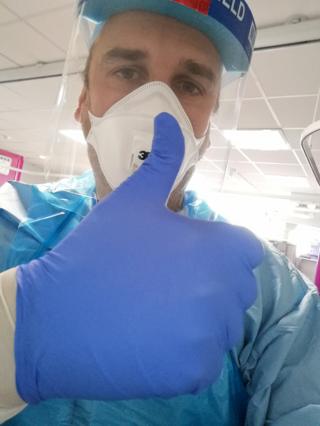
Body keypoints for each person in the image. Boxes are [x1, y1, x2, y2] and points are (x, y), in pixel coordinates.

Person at [0, 1, 320, 425]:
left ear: (206, 133)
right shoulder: (11, 220)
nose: (157, 108)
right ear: (83, 105)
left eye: (189, 84)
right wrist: (9, 335)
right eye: (127, 72)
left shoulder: (265, 287)